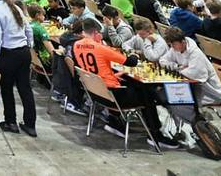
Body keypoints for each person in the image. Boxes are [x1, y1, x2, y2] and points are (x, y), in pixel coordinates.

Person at [72, 18, 180, 149]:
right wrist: (134, 54)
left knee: (131, 83)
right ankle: (155, 135)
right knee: (147, 93)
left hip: (96, 94)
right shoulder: (100, 47)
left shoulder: (76, 45)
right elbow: (131, 62)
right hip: (114, 96)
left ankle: (114, 122)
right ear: (95, 33)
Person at [0, 0, 36, 136]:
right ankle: (30, 125)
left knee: (7, 88)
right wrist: (29, 45)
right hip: (23, 52)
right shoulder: (15, 6)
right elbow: (28, 28)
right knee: (25, 88)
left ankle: (11, 122)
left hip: (8, 53)